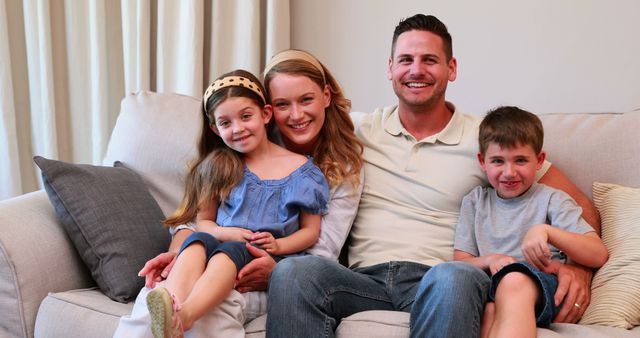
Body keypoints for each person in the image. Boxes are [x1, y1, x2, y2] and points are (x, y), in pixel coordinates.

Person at [266, 14, 600, 338]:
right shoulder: (356, 130)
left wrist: (578, 269)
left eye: (429, 60)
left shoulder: (486, 142)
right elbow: (285, 125)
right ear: (390, 68)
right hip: (362, 281)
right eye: (406, 59)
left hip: (440, 280)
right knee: (294, 272)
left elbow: (580, 204)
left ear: (451, 69)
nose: (416, 70)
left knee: (455, 275)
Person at [114, 50, 364, 337]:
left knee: (217, 298)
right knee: (157, 295)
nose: (296, 115)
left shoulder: (332, 169)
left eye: (306, 99)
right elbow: (197, 221)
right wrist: (178, 254)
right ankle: (173, 309)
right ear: (270, 109)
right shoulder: (232, 155)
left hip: (273, 270)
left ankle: (183, 317)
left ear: (326, 97)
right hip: (213, 251)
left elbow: (320, 250)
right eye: (283, 104)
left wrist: (276, 262)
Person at [453, 106, 608, 338]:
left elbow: (598, 254)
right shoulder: (475, 202)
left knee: (513, 281)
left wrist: (547, 231)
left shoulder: (552, 199)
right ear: (482, 162)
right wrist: (490, 259)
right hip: (492, 290)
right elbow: (461, 263)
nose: (509, 172)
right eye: (498, 161)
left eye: (520, 160)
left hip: (541, 289)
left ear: (539, 161)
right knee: (488, 311)